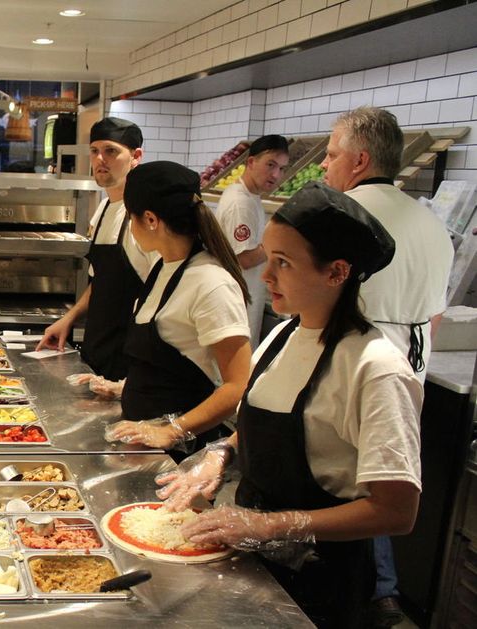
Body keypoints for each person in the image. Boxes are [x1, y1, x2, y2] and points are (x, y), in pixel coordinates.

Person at [159, 182, 421, 628]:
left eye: (283, 262)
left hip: (320, 584)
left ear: (337, 272)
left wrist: (270, 526)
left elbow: (396, 511)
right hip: (253, 559)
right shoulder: (284, 335)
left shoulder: (376, 369)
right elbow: (267, 423)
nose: (266, 275)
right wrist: (222, 453)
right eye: (269, 257)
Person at [321, 106, 454, 626]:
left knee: (346, 483)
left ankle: (368, 591)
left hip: (351, 366)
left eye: (331, 155)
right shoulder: (432, 222)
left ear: (359, 160)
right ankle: (384, 592)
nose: (325, 166)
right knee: (385, 479)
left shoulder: (341, 214)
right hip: (408, 368)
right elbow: (434, 315)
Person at [103, 162, 252, 455]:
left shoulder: (211, 283)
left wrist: (172, 431)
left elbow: (238, 386)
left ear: (150, 219)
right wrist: (124, 387)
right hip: (142, 440)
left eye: (131, 218)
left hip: (181, 453)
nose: (130, 228)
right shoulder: (162, 267)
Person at [36, 118, 155, 381]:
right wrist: (69, 318)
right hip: (97, 351)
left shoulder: (143, 219)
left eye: (111, 151)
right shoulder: (103, 209)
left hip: (129, 362)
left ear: (136, 157)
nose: (100, 159)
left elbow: (160, 295)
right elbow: (101, 279)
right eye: (94, 151)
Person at [216, 134, 290, 345]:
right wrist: (280, 240)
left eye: (281, 168)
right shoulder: (241, 203)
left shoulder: (250, 196)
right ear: (251, 162)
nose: (275, 174)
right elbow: (245, 258)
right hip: (238, 300)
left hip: (245, 297)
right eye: (270, 165)